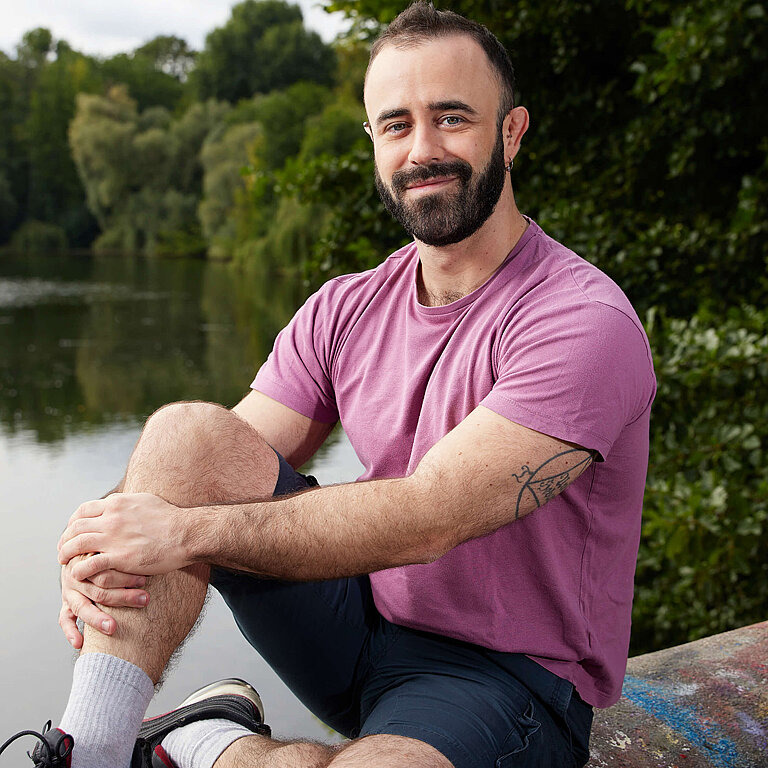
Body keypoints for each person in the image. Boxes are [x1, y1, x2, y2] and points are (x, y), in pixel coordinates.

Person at [6, 3, 655, 768]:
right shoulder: (347, 306)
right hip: (360, 628)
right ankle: (93, 746)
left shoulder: (581, 321)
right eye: (396, 125)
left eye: (451, 118)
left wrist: (183, 534)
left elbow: (431, 516)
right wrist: (98, 546)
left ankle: (207, 742)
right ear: (374, 142)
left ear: (511, 133)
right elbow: (194, 469)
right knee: (184, 434)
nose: (423, 149)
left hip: (511, 678)